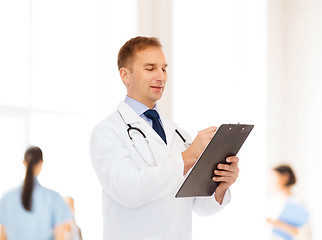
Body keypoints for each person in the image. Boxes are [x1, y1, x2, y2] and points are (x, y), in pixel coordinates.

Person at [90, 36, 240, 240]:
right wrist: (188, 157)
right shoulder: (107, 132)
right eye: (150, 68)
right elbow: (128, 191)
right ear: (126, 75)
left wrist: (221, 186)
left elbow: (200, 207)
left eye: (164, 69)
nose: (161, 77)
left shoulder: (180, 136)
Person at [0, 146, 72, 240]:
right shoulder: (54, 198)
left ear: (24, 163)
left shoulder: (6, 199)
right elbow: (60, 237)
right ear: (41, 163)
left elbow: (2, 237)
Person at [266, 164, 312, 240]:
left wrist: (279, 224)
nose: (271, 182)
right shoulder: (270, 201)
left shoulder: (296, 202)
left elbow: (306, 234)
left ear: (285, 177)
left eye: (274, 178)